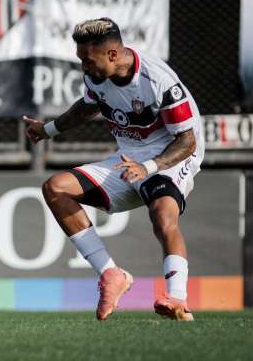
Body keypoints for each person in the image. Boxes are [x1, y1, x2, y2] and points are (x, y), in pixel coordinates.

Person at [23, 18, 204, 322]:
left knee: (163, 216)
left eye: (87, 60)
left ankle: (177, 298)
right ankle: (111, 274)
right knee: (55, 188)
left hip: (172, 155)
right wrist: (48, 129)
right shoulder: (97, 76)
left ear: (112, 54)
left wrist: (148, 167)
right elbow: (89, 106)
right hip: (128, 157)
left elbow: (187, 141)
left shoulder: (157, 80)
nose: (83, 67)